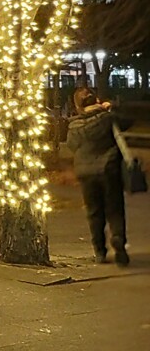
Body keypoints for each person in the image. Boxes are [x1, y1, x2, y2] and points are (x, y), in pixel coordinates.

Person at [66, 87, 131, 266]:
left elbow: (72, 145)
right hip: (108, 170)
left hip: (85, 173)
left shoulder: (74, 125)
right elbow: (127, 122)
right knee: (114, 209)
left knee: (94, 212)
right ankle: (118, 240)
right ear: (96, 100)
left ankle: (99, 251)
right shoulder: (107, 118)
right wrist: (111, 107)